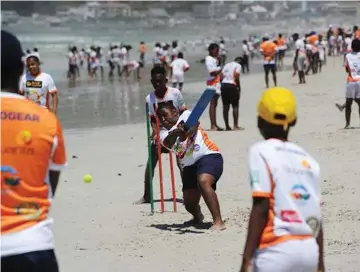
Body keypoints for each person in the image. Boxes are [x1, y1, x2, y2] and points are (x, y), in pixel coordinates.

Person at [1, 30, 67, 272]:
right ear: (21, 68)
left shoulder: (46, 81)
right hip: (32, 244)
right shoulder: (49, 123)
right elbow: (50, 185)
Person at [240, 87, 324, 272]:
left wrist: (246, 259)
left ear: (259, 120)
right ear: (293, 121)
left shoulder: (260, 151)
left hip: (276, 250)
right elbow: (315, 214)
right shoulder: (308, 161)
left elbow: (261, 206)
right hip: (309, 249)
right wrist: (320, 263)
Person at [157, 103, 225, 231]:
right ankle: (197, 216)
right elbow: (169, 143)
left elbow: (193, 127)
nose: (163, 120)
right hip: (189, 166)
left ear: (175, 112)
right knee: (189, 204)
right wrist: (177, 133)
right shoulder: (163, 135)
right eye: (160, 118)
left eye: (165, 115)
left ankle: (218, 222)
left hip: (209, 155)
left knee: (203, 181)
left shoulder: (186, 115)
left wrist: (185, 131)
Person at [135, 66, 187, 204]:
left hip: (177, 133)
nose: (158, 84)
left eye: (160, 81)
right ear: (151, 81)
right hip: (161, 133)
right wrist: (155, 133)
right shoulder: (149, 98)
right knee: (150, 162)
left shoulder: (175, 93)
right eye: (155, 82)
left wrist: (181, 131)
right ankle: (147, 196)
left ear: (166, 80)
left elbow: (183, 113)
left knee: (182, 163)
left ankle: (187, 193)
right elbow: (153, 120)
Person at [335, 39, 360, 128]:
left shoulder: (347, 56)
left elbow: (346, 69)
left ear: (352, 47)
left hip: (351, 81)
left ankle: (347, 124)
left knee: (349, 103)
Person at [220, 57, 243, 131]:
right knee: (235, 105)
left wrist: (221, 85)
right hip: (232, 85)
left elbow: (221, 76)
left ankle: (227, 126)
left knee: (225, 106)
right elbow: (236, 76)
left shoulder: (226, 65)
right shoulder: (238, 65)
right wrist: (239, 88)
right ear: (240, 61)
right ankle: (235, 126)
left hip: (224, 85)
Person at [205, 43, 224, 131]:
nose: (217, 52)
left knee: (215, 104)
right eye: (216, 50)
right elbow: (212, 72)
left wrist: (220, 63)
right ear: (211, 50)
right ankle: (212, 125)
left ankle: (214, 124)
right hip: (212, 84)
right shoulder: (209, 59)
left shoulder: (214, 59)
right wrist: (221, 68)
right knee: (212, 104)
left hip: (216, 83)